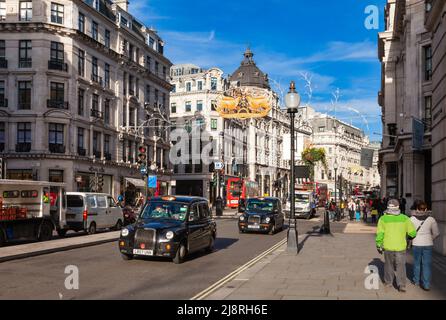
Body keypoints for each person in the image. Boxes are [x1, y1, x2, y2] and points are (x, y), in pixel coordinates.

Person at [376, 199, 417, 292]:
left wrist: (379, 244)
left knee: (388, 265)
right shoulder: (405, 218)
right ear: (398, 207)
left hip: (388, 246)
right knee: (401, 266)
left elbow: (380, 234)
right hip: (401, 246)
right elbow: (413, 233)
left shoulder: (383, 219)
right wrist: (409, 237)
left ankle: (388, 282)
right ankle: (401, 285)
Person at [410, 202, 440, 291]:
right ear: (426, 209)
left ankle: (416, 281)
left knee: (416, 263)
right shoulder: (431, 219)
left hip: (416, 243)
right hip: (428, 244)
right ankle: (426, 284)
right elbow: (436, 233)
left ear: (417, 209)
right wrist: (430, 238)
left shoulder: (411, 219)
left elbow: (409, 232)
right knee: (426, 264)